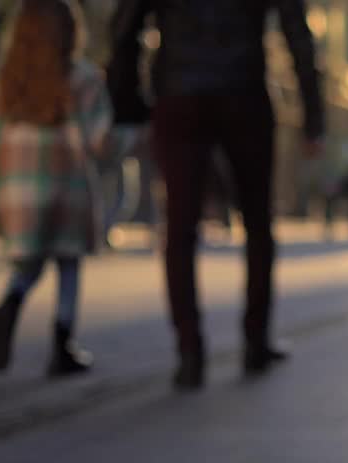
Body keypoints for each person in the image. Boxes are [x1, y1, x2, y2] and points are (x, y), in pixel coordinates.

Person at [108, 0, 325, 390]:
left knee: (180, 226)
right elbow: (297, 30)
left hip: (179, 92)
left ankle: (189, 351)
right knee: (258, 223)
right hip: (243, 90)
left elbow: (125, 26)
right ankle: (255, 341)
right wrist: (313, 116)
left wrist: (129, 101)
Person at [0, 0, 123, 377]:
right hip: (67, 186)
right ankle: (62, 344)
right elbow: (100, 140)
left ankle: (11, 301)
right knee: (67, 265)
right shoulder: (80, 79)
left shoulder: (6, 83)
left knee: (28, 263)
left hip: (18, 189)